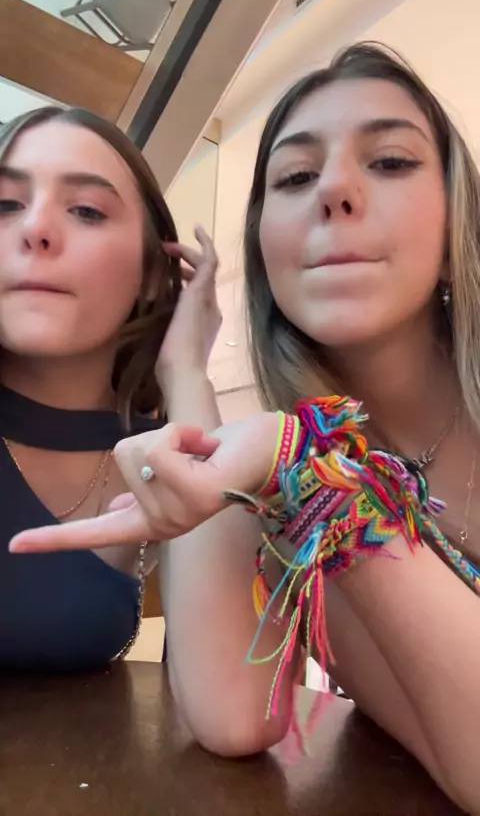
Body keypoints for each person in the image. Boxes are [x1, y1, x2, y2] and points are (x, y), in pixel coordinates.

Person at [11, 43, 480, 812]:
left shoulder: (291, 464)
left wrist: (276, 447)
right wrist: (286, 451)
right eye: (294, 177)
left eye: (391, 161)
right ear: (264, 251)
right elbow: (237, 714)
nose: (335, 189)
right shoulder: (291, 470)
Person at [0, 104, 225, 673]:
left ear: (151, 275)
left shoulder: (162, 454)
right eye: (5, 205)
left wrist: (187, 373)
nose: (35, 228)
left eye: (86, 210)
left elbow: (225, 693)